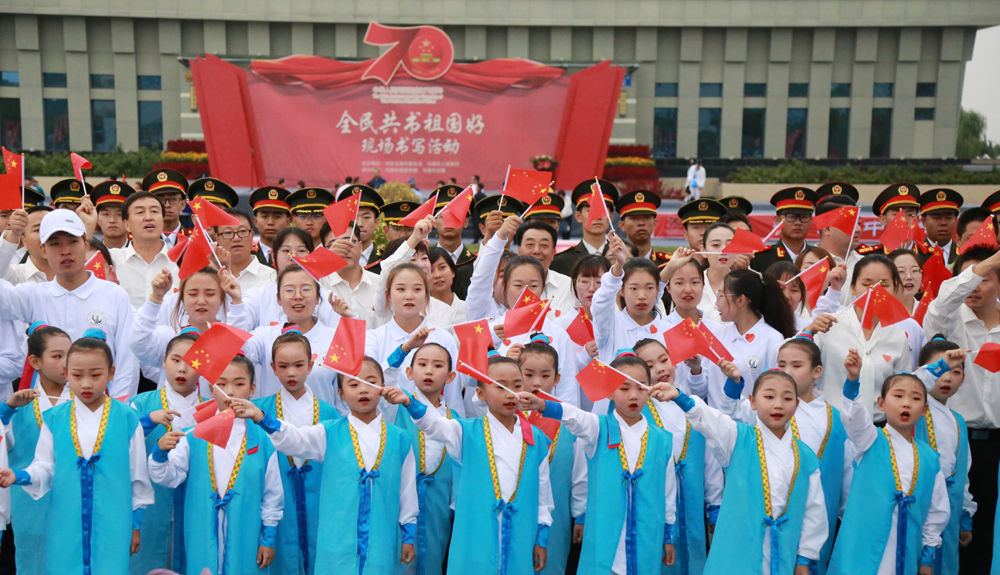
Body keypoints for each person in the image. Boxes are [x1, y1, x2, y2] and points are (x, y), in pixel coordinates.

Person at [233, 357, 418, 573]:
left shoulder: (400, 439)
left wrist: (408, 536)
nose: (363, 389)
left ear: (383, 388)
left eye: (371, 382)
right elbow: (295, 438)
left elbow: (407, 492)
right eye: (353, 384)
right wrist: (261, 417)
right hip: (336, 543)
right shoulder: (328, 432)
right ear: (341, 394)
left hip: (382, 539)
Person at [383, 355, 554, 575]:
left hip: (521, 537)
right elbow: (434, 425)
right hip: (475, 538)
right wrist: (409, 402)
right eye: (500, 386)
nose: (510, 393)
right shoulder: (465, 431)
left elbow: (543, 494)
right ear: (481, 394)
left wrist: (541, 539)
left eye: (517, 385)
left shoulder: (536, 439)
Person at [0, 332, 154, 574]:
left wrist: (135, 526)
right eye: (77, 375)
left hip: (114, 523)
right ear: (66, 373)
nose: (86, 384)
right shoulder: (55, 418)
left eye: (95, 375)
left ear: (111, 373)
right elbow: (45, 467)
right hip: (65, 521)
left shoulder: (127, 418)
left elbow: (138, 477)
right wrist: (18, 475)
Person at [652, 368, 828, 574]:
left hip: (783, 555)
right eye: (769, 397)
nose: (778, 404)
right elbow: (711, 421)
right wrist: (679, 397)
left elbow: (814, 511)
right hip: (737, 555)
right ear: (752, 401)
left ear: (796, 405)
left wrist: (804, 558)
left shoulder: (806, 457)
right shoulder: (738, 439)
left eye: (787, 398)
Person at [520, 352, 677, 573]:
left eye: (641, 387)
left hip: (647, 534)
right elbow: (574, 416)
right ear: (610, 392)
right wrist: (543, 405)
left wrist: (668, 536)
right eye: (624, 388)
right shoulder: (598, 429)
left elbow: (668, 492)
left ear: (650, 388)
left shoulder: (662, 440)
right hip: (604, 535)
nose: (633, 395)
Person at [719, 338, 854, 573]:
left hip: (819, 519)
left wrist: (843, 516)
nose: (787, 371)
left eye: (796, 365)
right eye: (781, 365)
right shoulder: (768, 411)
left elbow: (847, 474)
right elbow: (729, 417)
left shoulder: (838, 419)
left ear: (817, 371)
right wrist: (734, 383)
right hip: (770, 516)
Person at [148, 354, 283, 575]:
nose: (230, 392)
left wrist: (268, 538)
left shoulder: (264, 440)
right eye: (222, 384)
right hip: (202, 531)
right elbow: (168, 477)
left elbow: (272, 494)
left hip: (246, 534)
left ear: (252, 389)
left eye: (239, 384)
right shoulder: (193, 436)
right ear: (211, 390)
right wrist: (160, 452)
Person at [827, 350, 949, 575]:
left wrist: (927, 556)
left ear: (924, 410)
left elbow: (936, 510)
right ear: (881, 403)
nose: (906, 404)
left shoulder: (930, 458)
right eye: (898, 396)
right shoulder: (869, 440)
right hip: (863, 545)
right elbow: (854, 417)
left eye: (915, 399)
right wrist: (853, 379)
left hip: (906, 547)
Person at [0, 209, 137, 397]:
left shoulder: (114, 295)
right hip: (47, 407)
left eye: (73, 242)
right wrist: (11, 238)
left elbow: (127, 360)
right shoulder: (34, 295)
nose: (65, 251)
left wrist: (119, 406)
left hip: (101, 406)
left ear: (86, 244)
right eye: (55, 244)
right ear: (43, 250)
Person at [923, 245, 1000, 569]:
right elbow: (943, 302)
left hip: (997, 443)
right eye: (970, 277)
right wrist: (988, 263)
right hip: (957, 438)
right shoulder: (950, 322)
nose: (975, 286)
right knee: (950, 529)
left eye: (985, 278)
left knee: (989, 533)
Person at [251, 329, 339, 575]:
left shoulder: (330, 413)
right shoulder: (258, 411)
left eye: (299, 365)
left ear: (311, 365)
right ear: (273, 367)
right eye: (283, 366)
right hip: (276, 500)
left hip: (319, 501)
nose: (291, 373)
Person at [633, 338, 724, 575]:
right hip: (655, 506)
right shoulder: (638, 413)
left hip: (693, 505)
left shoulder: (692, 405)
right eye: (649, 366)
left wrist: (714, 506)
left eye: (664, 360)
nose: (660, 369)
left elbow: (710, 461)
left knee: (694, 560)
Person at [128, 330, 203, 575]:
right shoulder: (141, 404)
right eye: (176, 359)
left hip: (194, 502)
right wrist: (148, 421)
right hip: (152, 503)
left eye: (192, 362)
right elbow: (120, 442)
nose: (182, 368)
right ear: (163, 361)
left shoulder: (211, 409)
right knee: (147, 563)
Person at [0, 324, 72, 575]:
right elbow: (4, 443)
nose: (65, 363)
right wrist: (7, 411)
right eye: (57, 356)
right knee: (32, 564)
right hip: (29, 505)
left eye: (70, 355)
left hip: (73, 500)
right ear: (35, 361)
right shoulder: (16, 403)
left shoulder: (85, 401)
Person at [803, 255, 912, 414]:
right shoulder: (829, 324)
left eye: (884, 285)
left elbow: (902, 386)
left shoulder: (898, 336)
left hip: (878, 424)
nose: (874, 290)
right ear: (852, 287)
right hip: (833, 421)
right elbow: (791, 358)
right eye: (867, 284)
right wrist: (809, 331)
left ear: (895, 289)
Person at [387, 341, 462, 575]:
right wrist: (405, 348)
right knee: (399, 559)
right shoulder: (396, 405)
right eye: (422, 364)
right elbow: (385, 378)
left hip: (438, 504)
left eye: (437, 366)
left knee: (433, 557)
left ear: (450, 376)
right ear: (410, 372)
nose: (429, 370)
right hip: (400, 498)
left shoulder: (455, 419)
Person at [516, 338, 586, 575]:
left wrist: (580, 514)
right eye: (528, 374)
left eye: (545, 375)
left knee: (551, 566)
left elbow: (579, 474)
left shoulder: (569, 419)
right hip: (515, 511)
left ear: (557, 379)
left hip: (556, 516)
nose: (537, 382)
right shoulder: (508, 415)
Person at [365, 262, 464, 416]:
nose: (409, 296)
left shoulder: (443, 337)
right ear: (388, 295)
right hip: (388, 424)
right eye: (401, 289)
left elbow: (453, 395)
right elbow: (370, 384)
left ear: (426, 295)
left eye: (417, 289)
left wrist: (457, 425)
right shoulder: (373, 338)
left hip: (434, 425)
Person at [912, 339, 975, 575]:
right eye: (940, 370)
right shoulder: (913, 409)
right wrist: (939, 367)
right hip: (919, 503)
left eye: (955, 372)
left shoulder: (958, 421)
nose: (946, 378)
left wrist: (965, 515)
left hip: (950, 509)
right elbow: (913, 383)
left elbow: (962, 472)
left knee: (945, 565)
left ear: (964, 378)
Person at [242, 265, 341, 405]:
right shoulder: (263, 336)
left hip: (322, 418)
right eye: (289, 290)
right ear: (278, 298)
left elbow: (343, 395)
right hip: (272, 418)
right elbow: (240, 351)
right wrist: (236, 305)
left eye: (306, 290)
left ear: (318, 297)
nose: (298, 296)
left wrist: (350, 318)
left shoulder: (335, 339)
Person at [703, 267, 797, 406]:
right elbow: (701, 389)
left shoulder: (772, 339)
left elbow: (775, 390)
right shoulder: (716, 334)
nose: (717, 303)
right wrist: (695, 370)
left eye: (721, 295)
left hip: (751, 419)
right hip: (713, 419)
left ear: (741, 300)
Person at [591, 234, 670, 365]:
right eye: (634, 288)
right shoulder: (609, 326)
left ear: (658, 289)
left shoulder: (669, 329)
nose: (642, 296)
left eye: (649, 288)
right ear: (621, 290)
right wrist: (619, 265)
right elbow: (601, 302)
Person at [109, 191, 178, 309]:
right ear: (127, 225)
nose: (148, 217)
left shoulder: (180, 261)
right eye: (140, 212)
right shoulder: (112, 259)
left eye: (154, 211)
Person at [550, 180, 619, 277]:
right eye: (591, 211)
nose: (597, 216)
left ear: (611, 216)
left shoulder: (621, 257)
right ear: (578, 216)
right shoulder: (561, 262)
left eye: (602, 210)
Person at [320, 224, 381, 326]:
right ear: (325, 251)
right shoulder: (318, 284)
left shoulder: (381, 284)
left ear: (360, 246)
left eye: (349, 242)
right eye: (334, 244)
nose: (343, 249)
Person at [752, 187, 819, 274]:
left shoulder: (818, 257)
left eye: (804, 217)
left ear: (811, 220)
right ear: (777, 220)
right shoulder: (760, 258)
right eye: (791, 216)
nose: (798, 222)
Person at [514, 221, 577, 313]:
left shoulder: (569, 287)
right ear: (519, 250)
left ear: (553, 252)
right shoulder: (506, 284)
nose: (536, 251)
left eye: (544, 245)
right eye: (530, 244)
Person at [698, 223, 752, 323]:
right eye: (716, 245)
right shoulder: (693, 284)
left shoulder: (749, 283)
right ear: (703, 250)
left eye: (730, 245)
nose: (723, 250)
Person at [432, 184, 477, 300]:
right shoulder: (425, 260)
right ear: (434, 222)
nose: (448, 222)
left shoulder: (476, 263)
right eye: (443, 216)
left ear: (466, 222)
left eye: (455, 216)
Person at [216, 208, 277, 291]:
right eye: (228, 232)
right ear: (217, 239)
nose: (236, 238)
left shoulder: (272, 278)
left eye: (242, 231)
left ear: (252, 235)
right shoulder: (208, 278)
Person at [615, 191, 670, 267]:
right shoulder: (614, 264)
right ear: (622, 225)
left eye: (647, 218)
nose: (641, 223)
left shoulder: (668, 264)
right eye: (634, 218)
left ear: (654, 224)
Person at [337, 184, 385, 270]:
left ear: (376, 222)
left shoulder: (385, 259)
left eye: (366, 217)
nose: (359, 224)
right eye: (353, 218)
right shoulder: (335, 258)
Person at [141, 169, 191, 248]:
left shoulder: (193, 240)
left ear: (183, 204)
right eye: (160, 200)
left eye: (173, 199)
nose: (167, 205)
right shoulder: (141, 240)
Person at [918, 189, 964, 267]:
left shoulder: (964, 254)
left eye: (949, 218)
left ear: (956, 220)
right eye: (937, 218)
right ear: (924, 221)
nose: (943, 223)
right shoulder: (914, 255)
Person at [249, 186, 292, 264]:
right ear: (255, 221)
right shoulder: (246, 255)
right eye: (265, 216)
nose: (270, 222)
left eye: (277, 217)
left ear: (288, 222)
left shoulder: (296, 255)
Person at [90, 180, 136, 249]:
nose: (112, 220)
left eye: (119, 214)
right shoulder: (91, 253)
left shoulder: (141, 253)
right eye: (106, 214)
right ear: (98, 219)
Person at [288, 187, 335, 252]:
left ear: (327, 219)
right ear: (294, 220)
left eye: (316, 216)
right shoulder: (285, 253)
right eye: (303, 216)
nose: (309, 223)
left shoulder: (336, 251)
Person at [428, 247, 466, 324]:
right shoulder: (418, 314)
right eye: (430, 270)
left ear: (452, 272)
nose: (437, 275)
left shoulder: (468, 310)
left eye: (442, 267)